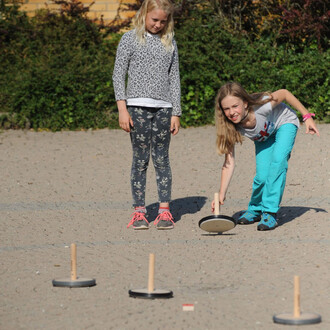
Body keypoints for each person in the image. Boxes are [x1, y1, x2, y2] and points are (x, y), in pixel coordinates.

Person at [212, 82, 319, 231]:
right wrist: (222, 193)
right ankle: (256, 209)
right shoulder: (230, 126)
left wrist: (306, 116)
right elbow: (228, 162)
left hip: (284, 123)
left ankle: (269, 212)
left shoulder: (261, 107)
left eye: (235, 106)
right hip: (264, 137)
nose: (231, 112)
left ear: (245, 103)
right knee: (262, 177)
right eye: (226, 109)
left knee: (278, 162)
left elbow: (285, 92)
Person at [112, 0, 181, 230]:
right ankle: (139, 211)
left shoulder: (169, 42)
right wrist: (122, 109)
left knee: (162, 158)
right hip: (137, 108)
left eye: (163, 21)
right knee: (140, 159)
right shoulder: (129, 39)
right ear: (144, 15)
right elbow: (118, 74)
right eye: (154, 20)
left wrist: (176, 112)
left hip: (164, 108)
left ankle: (164, 211)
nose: (158, 25)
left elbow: (174, 78)